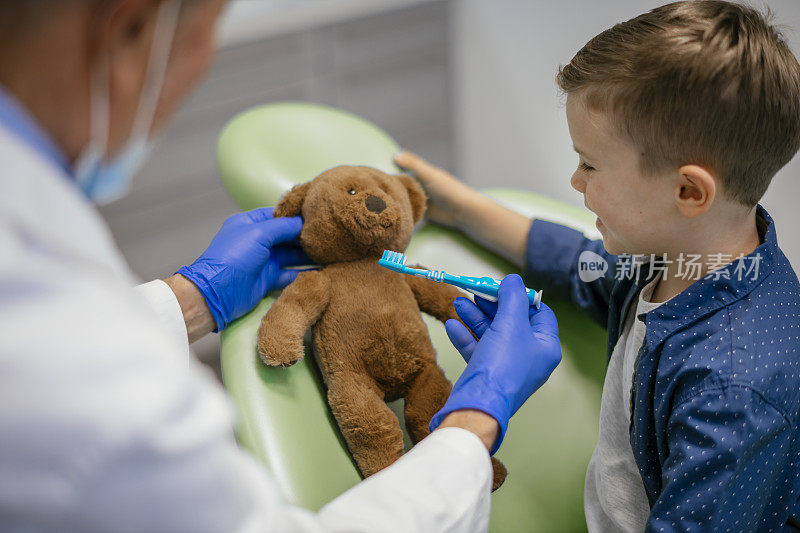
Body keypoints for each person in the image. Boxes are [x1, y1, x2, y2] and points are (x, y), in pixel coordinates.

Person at [0, 0, 563, 531]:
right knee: (366, 417)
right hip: (360, 386)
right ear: (129, 30)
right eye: (208, 36)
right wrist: (475, 419)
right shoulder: (75, 359)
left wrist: (192, 298)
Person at [396, 1, 800, 530]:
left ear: (687, 191)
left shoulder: (732, 393)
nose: (575, 182)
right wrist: (465, 207)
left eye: (589, 164)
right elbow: (582, 265)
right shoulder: (681, 257)